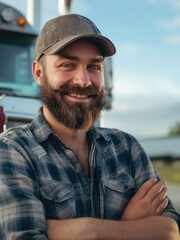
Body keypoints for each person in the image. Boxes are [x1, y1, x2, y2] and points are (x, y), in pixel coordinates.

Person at [0, 14, 179, 240]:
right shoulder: (13, 151)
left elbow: (171, 231)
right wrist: (129, 225)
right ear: (38, 73)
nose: (83, 81)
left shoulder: (126, 147)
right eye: (67, 65)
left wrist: (88, 231)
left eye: (93, 66)